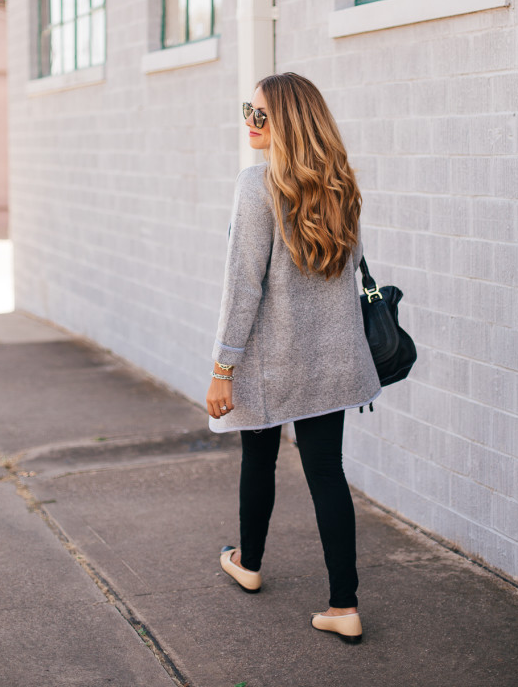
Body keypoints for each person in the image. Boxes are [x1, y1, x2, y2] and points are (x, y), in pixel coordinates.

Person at [206, 72, 381, 644]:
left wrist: (223, 367)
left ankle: (249, 563)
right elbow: (345, 274)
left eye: (261, 115)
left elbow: (242, 285)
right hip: (332, 361)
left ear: (289, 123)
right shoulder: (341, 185)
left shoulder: (257, 185)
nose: (250, 123)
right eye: (248, 111)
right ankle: (344, 605)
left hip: (269, 362)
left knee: (257, 458)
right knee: (327, 473)